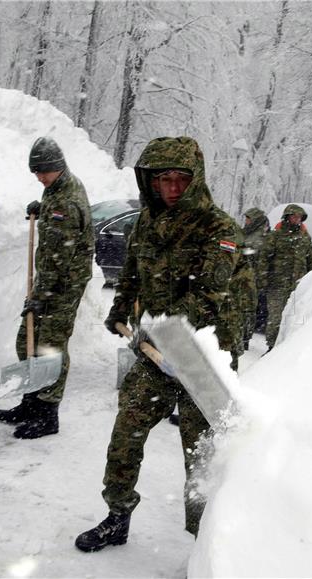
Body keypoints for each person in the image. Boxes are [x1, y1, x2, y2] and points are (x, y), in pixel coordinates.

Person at [74, 136, 243, 552]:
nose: (171, 189)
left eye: (180, 179)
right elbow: (131, 274)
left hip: (202, 355)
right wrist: (119, 311)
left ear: (195, 180)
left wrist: (164, 329)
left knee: (201, 457)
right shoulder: (145, 223)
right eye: (162, 179)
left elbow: (209, 294)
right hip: (152, 356)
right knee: (125, 435)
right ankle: (117, 516)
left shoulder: (218, 229)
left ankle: (205, 547)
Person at [0, 137, 94, 439]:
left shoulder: (65, 201)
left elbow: (57, 258)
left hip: (62, 285)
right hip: (52, 280)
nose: (39, 178)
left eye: (42, 172)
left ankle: (48, 415)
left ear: (57, 167)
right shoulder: (58, 189)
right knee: (28, 340)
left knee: (50, 347)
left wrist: (40, 297)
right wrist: (43, 205)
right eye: (35, 173)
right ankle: (30, 402)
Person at [261, 203, 312, 351]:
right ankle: (272, 347)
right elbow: (264, 258)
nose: (297, 220)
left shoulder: (304, 237)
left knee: (294, 319)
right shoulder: (276, 235)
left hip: (297, 286)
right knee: (276, 318)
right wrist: (263, 279)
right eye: (294, 216)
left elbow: (310, 258)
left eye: (300, 217)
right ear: (287, 217)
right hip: (277, 285)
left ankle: (287, 350)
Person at [242, 207, 270, 345]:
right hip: (243, 277)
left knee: (248, 309)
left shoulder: (259, 238)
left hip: (252, 279)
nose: (246, 221)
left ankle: (244, 338)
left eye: (248, 219)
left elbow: (258, 260)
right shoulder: (247, 232)